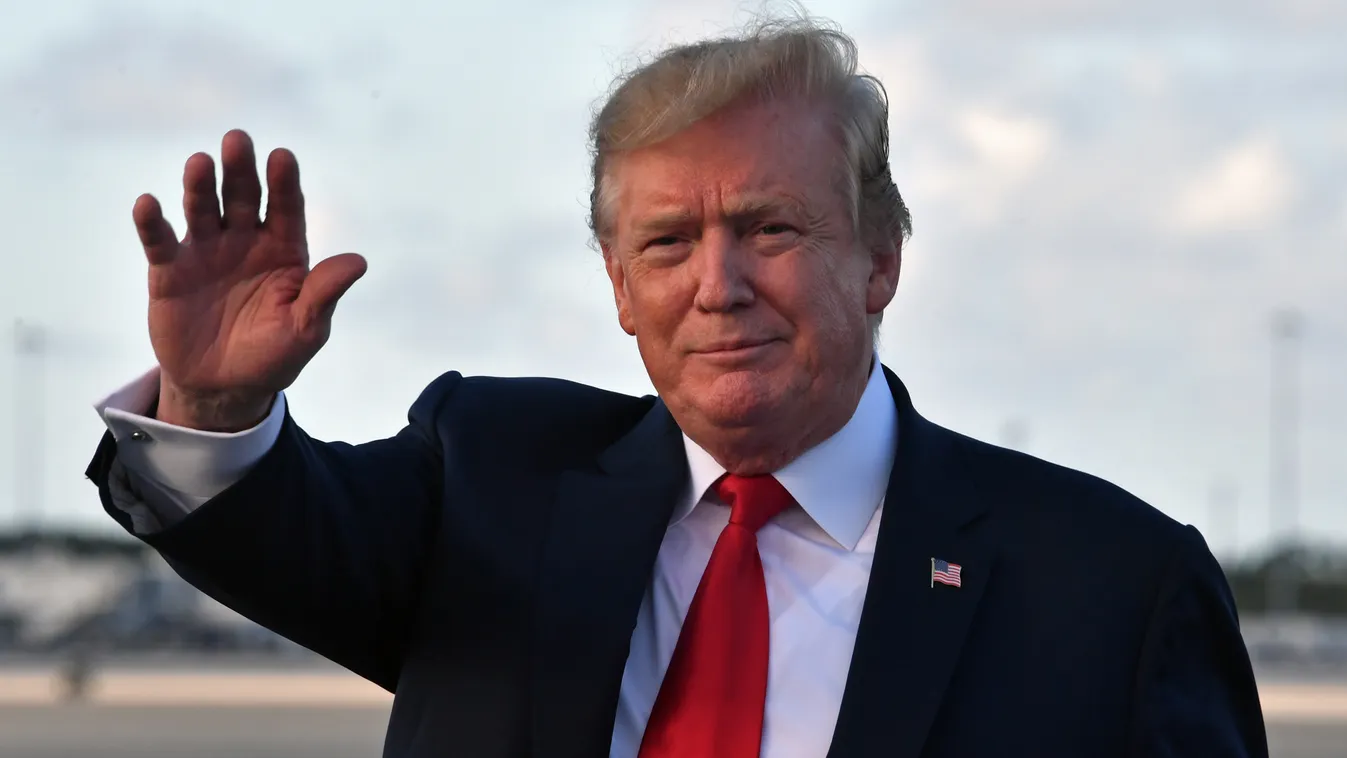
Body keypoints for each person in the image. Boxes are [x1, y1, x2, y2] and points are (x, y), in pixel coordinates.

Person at [85, 15, 1268, 758]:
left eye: (770, 226)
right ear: (615, 283)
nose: (719, 284)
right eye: (666, 243)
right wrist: (217, 408)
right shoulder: (493, 482)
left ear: (882, 258)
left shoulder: (1114, 590)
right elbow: (278, 527)